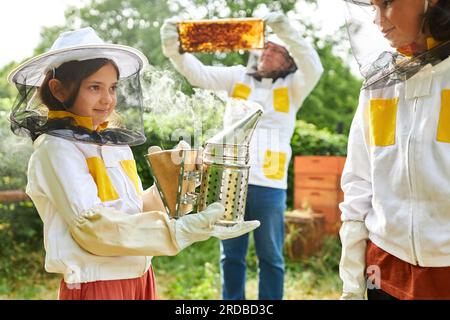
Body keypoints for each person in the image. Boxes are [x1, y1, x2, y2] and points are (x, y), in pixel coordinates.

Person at [7, 27, 260, 300]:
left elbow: (134, 209)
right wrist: (178, 232)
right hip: (98, 285)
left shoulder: (114, 144)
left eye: (113, 87)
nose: (108, 99)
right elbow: (91, 227)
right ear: (58, 89)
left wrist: (174, 181)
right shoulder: (56, 149)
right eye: (95, 87)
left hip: (142, 277)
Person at [160, 12, 323, 300]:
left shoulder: (294, 86)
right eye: (266, 47)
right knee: (231, 256)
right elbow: (199, 74)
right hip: (229, 183)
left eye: (276, 50)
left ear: (288, 61)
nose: (267, 52)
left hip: (270, 185)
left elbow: (313, 64)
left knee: (271, 256)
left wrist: (283, 29)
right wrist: (175, 50)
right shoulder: (238, 77)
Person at [339, 0, 450, 300]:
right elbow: (359, 180)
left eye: (387, 3)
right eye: (372, 7)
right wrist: (351, 269)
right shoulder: (379, 85)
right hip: (384, 266)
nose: (378, 20)